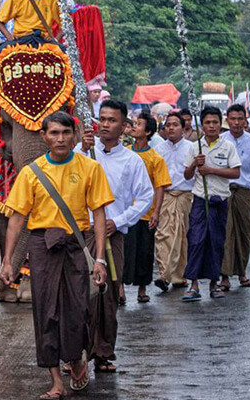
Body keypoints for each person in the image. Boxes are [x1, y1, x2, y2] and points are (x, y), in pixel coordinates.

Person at [0, 111, 111, 399]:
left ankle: (76, 359)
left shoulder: (89, 168)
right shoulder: (31, 172)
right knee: (45, 312)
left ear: (74, 134)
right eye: (54, 133)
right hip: (42, 246)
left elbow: (98, 214)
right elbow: (16, 219)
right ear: (43, 137)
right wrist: (8, 262)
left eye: (65, 133)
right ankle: (56, 382)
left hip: (76, 244)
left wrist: (99, 258)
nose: (60, 139)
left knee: (77, 310)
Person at [78, 99, 153, 373]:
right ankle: (77, 352)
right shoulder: (83, 153)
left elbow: (145, 197)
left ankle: (103, 353)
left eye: (112, 120)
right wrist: (82, 148)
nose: (105, 124)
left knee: (107, 294)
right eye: (103, 119)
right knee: (81, 294)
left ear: (124, 126)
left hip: (113, 235)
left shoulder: (132, 160)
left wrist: (118, 221)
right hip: (82, 232)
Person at [181, 106, 241, 302]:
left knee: (216, 242)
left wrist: (211, 170)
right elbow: (187, 175)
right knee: (197, 240)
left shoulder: (228, 146)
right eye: (207, 122)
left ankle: (214, 284)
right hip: (200, 200)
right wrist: (195, 164)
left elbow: (235, 173)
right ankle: (194, 284)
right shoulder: (195, 147)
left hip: (220, 201)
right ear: (203, 125)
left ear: (220, 123)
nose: (211, 126)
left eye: (215, 122)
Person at [123, 113, 171, 303]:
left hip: (145, 213)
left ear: (148, 131)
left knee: (144, 252)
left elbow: (159, 186)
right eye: (133, 123)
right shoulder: (124, 152)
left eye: (139, 124)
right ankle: (119, 289)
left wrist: (157, 212)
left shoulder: (155, 158)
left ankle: (142, 290)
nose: (134, 126)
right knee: (124, 252)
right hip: (125, 212)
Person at [219, 104, 250, 291]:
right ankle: (225, 276)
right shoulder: (220, 140)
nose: (236, 123)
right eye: (233, 119)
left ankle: (242, 273)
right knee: (225, 234)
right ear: (227, 121)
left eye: (240, 119)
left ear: (245, 121)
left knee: (245, 234)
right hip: (223, 191)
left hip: (244, 192)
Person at [154, 112, 195, 289]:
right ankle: (164, 274)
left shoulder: (192, 148)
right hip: (165, 196)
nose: (171, 127)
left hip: (185, 196)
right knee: (163, 235)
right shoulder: (158, 149)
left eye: (175, 124)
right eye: (168, 124)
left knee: (182, 237)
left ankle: (179, 276)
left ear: (183, 127)